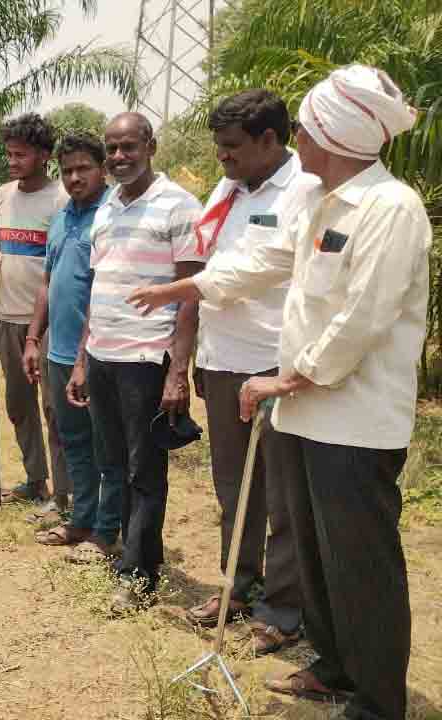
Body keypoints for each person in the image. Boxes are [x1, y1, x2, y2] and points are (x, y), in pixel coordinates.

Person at [129, 65, 427, 720]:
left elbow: (362, 321)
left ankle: (377, 700)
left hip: (355, 422)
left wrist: (283, 379)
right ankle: (332, 663)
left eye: (307, 129)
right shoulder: (319, 201)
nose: (299, 138)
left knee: (360, 564)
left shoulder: (389, 210)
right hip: (306, 414)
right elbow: (265, 259)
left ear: (339, 135)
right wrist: (185, 289)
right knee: (318, 556)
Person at [182, 90, 308, 654]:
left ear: (268, 141)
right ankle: (238, 586)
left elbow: (262, 273)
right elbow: (211, 264)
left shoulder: (304, 189)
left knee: (281, 493)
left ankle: (281, 611)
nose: (222, 158)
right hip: (222, 356)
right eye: (218, 148)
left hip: (273, 361)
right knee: (234, 488)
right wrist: (199, 358)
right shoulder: (230, 188)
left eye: (231, 148)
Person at [64, 112, 206, 613]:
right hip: (103, 355)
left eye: (129, 146)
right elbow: (99, 290)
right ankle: (135, 553)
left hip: (146, 358)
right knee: (114, 464)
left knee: (144, 470)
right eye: (113, 149)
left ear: (150, 144)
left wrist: (177, 371)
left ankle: (139, 578)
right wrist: (82, 360)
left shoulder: (180, 207)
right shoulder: (106, 208)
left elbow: (191, 296)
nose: (120, 157)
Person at [17, 134, 123, 560]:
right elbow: (47, 282)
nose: (75, 177)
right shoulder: (61, 218)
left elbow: (103, 292)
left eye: (84, 168)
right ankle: (81, 518)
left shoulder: (112, 217)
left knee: (106, 447)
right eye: (68, 171)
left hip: (98, 356)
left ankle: (106, 531)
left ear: (102, 168)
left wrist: (83, 358)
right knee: (72, 440)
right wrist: (32, 339)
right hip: (57, 354)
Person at [0, 113, 70, 517]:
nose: (13, 161)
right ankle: (35, 479)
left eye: (20, 154)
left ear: (43, 155)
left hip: (51, 323)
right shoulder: (3, 195)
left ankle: (65, 492)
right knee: (18, 404)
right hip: (8, 317)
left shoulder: (60, 199)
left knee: (55, 407)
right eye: (9, 154)